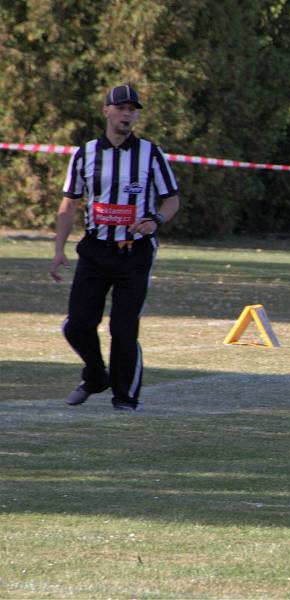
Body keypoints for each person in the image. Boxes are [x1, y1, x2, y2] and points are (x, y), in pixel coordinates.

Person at [50, 83, 180, 411]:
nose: (127, 114)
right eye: (121, 108)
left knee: (123, 328)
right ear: (106, 110)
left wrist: (156, 221)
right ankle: (95, 375)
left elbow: (172, 199)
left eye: (132, 109)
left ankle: (124, 399)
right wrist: (58, 250)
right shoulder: (85, 154)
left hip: (135, 252)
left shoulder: (151, 154)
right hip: (95, 249)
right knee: (77, 324)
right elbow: (69, 204)